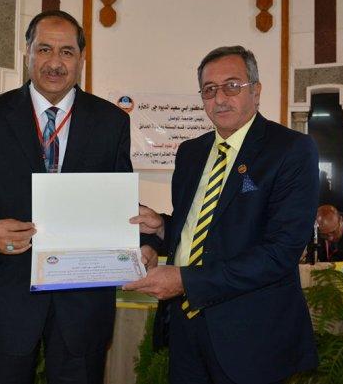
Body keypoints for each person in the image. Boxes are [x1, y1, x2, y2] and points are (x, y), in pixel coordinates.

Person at [0, 10, 139, 384]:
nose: (55, 62)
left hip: (83, 302)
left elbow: (118, 203)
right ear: (27, 53)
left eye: (67, 52)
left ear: (81, 59)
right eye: (44, 49)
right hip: (5, 300)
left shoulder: (112, 122)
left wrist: (144, 241)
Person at [125, 46, 319, 384]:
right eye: (209, 89)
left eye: (232, 86)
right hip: (186, 328)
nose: (220, 98)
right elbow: (201, 230)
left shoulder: (291, 149)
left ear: (256, 91)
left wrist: (185, 281)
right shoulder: (191, 152)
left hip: (251, 334)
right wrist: (162, 229)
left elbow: (281, 252)